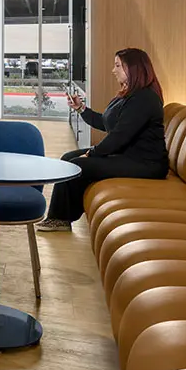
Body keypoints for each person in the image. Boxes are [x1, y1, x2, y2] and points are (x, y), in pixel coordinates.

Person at [37, 47, 169, 232]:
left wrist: (92, 154)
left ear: (133, 68)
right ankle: (59, 218)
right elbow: (107, 124)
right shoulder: (128, 95)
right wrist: (81, 109)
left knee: (77, 164)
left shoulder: (145, 99)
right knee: (68, 158)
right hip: (128, 155)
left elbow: (119, 136)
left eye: (118, 66)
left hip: (146, 163)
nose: (113, 70)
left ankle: (60, 219)